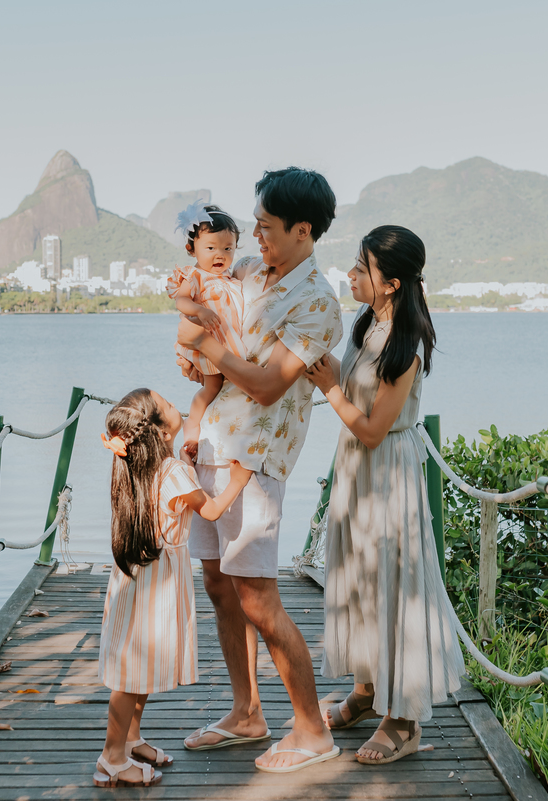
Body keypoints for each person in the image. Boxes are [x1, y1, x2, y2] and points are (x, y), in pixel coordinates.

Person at [176, 167, 343, 773]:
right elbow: (198, 307)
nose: (255, 236)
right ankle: (247, 711)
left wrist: (210, 349)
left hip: (258, 460)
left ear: (303, 230)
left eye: (267, 227)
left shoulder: (318, 301)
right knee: (219, 585)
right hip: (212, 446)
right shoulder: (247, 272)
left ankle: (311, 730)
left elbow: (271, 385)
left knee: (259, 598)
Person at [305, 225, 466, 765]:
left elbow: (374, 429)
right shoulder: (367, 324)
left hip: (386, 469)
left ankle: (404, 720)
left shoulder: (407, 343)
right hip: (354, 469)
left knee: (393, 585)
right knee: (359, 581)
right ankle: (369, 690)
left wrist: (329, 389)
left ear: (391, 282)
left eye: (361, 268)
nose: (351, 274)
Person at [93, 388, 252, 788]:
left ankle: (130, 739)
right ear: (162, 433)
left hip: (135, 579)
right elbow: (212, 510)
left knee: (137, 671)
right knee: (130, 677)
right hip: (158, 584)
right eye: (165, 404)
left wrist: (185, 464)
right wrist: (239, 477)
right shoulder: (173, 474)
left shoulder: (140, 467)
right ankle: (111, 758)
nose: (172, 402)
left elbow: (168, 495)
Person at [166, 203, 246, 457]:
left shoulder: (232, 279)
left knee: (232, 386)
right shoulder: (196, 276)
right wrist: (199, 311)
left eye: (227, 248)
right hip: (207, 341)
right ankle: (192, 426)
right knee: (212, 387)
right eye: (210, 248)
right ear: (192, 249)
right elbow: (181, 301)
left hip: (226, 343)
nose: (219, 254)